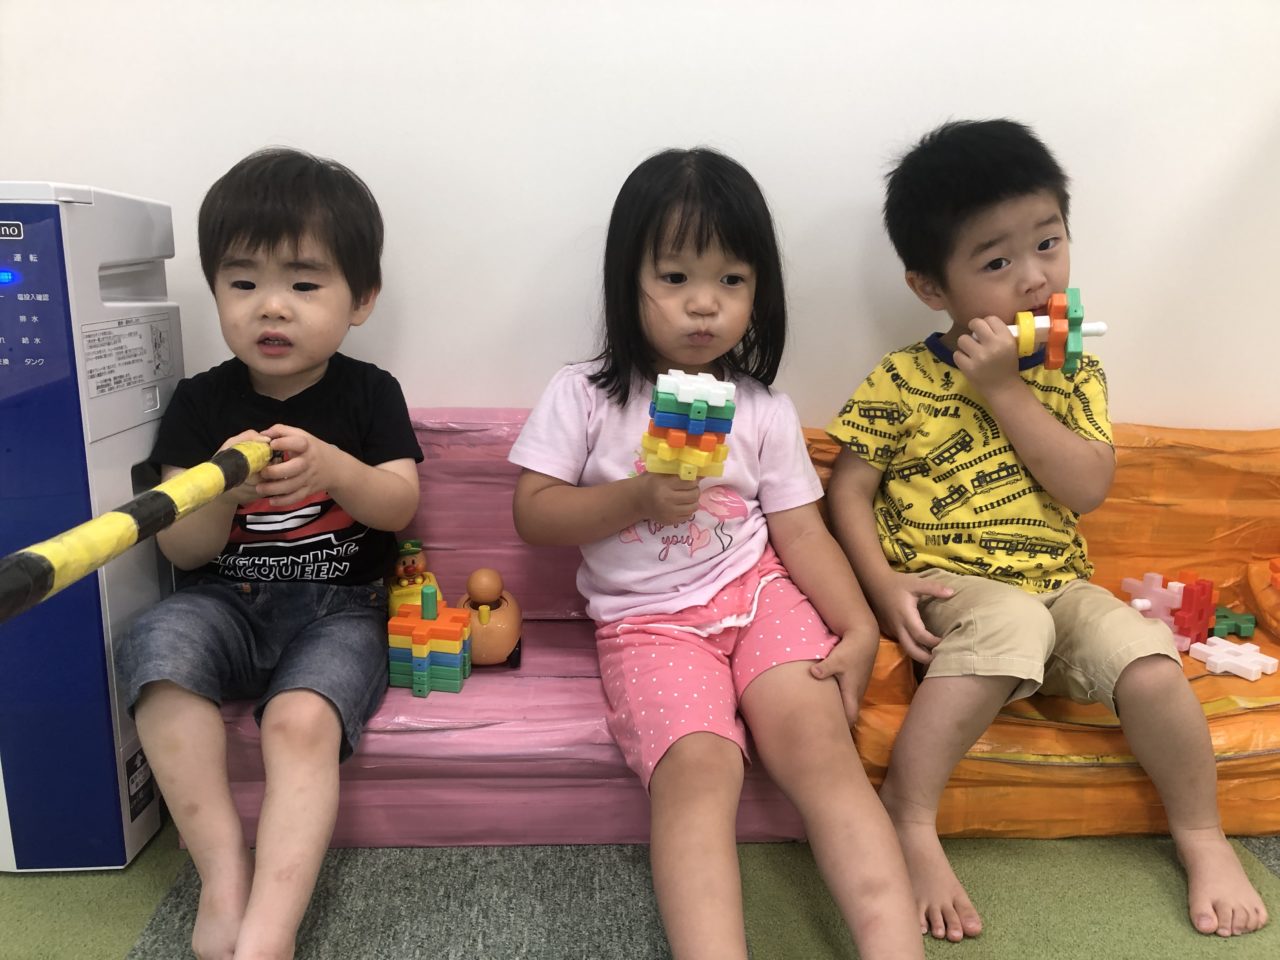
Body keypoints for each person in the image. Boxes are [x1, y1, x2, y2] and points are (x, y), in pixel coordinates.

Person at [824, 119, 1269, 942]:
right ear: (931, 286)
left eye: (1048, 244)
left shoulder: (1076, 373)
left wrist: (1007, 389)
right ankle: (909, 818)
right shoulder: (904, 378)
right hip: (957, 589)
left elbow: (1087, 487)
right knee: (1011, 622)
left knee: (1149, 661)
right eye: (996, 262)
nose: (1034, 277)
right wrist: (881, 586)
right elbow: (847, 490)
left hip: (1061, 586)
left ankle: (1202, 833)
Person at [509, 148, 922, 960]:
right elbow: (534, 513)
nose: (704, 303)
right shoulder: (584, 396)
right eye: (674, 278)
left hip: (760, 596)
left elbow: (803, 531)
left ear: (758, 290)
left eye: (731, 279)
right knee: (698, 775)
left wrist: (857, 627)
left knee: (821, 753)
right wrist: (636, 497)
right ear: (628, 281)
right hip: (650, 625)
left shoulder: (761, 409)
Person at [117, 148, 422, 960]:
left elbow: (399, 506)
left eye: (304, 284)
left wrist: (337, 469)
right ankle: (223, 879)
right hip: (224, 602)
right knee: (155, 652)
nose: (271, 307)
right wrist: (221, 491)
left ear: (361, 299)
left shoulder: (370, 393)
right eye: (243, 282)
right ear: (216, 291)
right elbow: (181, 544)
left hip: (341, 611)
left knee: (299, 720)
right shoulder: (201, 402)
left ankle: (270, 929)